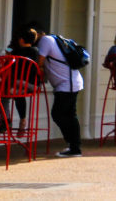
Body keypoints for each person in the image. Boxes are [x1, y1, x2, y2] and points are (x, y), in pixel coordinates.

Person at [35, 25, 85, 157]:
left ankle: (74, 146)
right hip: (72, 82)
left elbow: (39, 62)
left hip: (66, 84)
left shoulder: (45, 41)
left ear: (40, 33)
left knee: (58, 114)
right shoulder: (54, 39)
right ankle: (74, 146)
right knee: (69, 114)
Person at [1, 27, 41, 136]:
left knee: (8, 88)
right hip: (30, 84)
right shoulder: (35, 51)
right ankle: (16, 120)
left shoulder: (17, 52)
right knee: (11, 91)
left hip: (28, 84)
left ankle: (7, 119)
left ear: (21, 40)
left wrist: (8, 53)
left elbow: (7, 56)